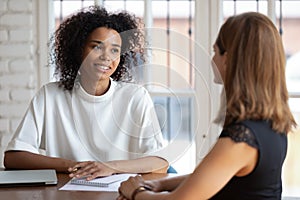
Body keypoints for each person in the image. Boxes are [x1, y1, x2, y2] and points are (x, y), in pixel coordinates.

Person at [117, 12, 297, 200]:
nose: (212, 60)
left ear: (227, 60)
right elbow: (215, 176)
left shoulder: (242, 139)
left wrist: (136, 192)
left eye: (215, 52)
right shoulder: (270, 125)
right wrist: (158, 183)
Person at [4, 6, 168, 180]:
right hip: (67, 191)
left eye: (114, 50)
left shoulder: (135, 97)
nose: (106, 57)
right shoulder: (50, 96)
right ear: (79, 50)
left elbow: (160, 163)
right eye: (97, 47)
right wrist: (74, 166)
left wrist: (108, 167)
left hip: (120, 193)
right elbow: (13, 157)